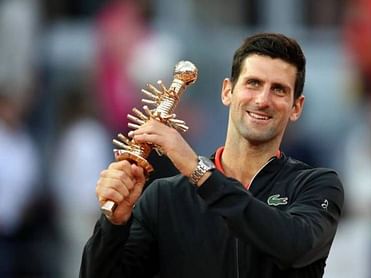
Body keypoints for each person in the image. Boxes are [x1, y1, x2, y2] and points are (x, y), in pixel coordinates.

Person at [80, 32, 344, 277]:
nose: (263, 100)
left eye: (278, 89)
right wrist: (113, 225)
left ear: (296, 107)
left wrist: (196, 169)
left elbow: (295, 246)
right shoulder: (165, 199)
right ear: (227, 91)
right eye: (253, 83)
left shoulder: (316, 186)